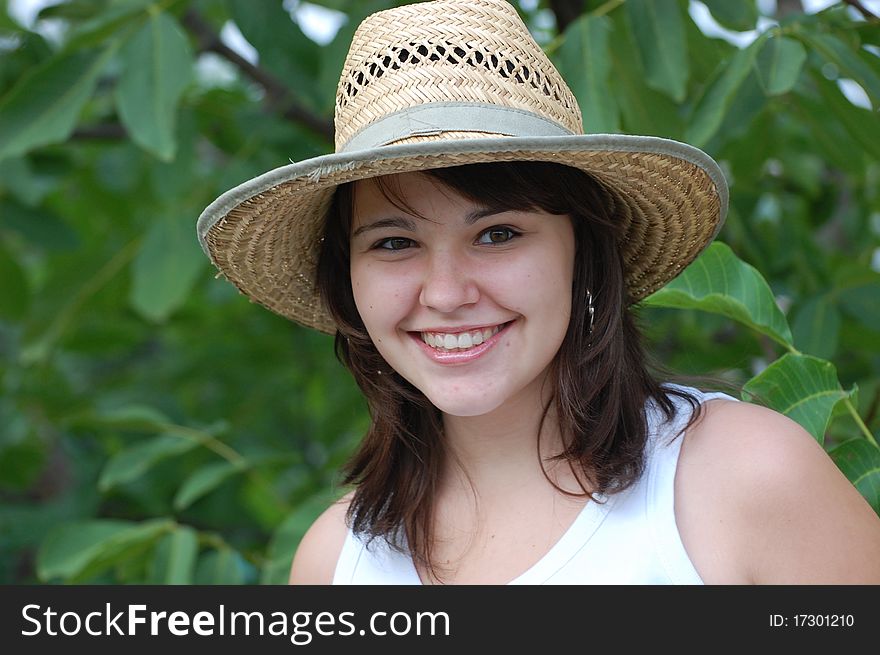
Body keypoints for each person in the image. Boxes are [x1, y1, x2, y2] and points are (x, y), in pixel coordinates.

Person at [197, 0, 880, 584]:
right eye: (394, 242)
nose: (446, 292)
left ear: (582, 250)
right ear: (347, 279)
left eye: (496, 234)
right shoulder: (337, 560)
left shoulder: (741, 477)